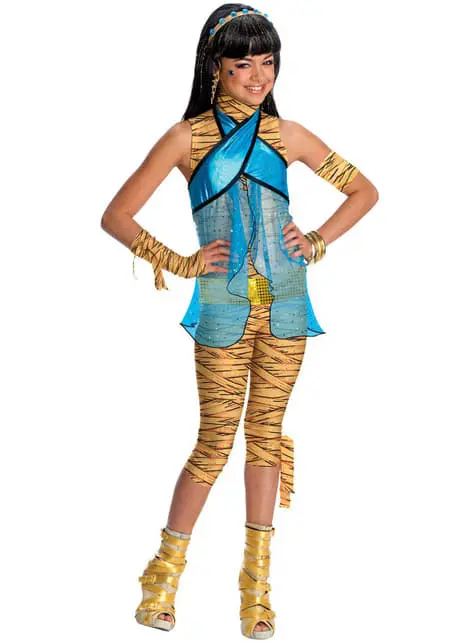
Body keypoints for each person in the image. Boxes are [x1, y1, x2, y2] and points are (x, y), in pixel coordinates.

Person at [101, 4, 378, 639]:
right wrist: (180, 262)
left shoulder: (289, 136)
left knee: (266, 437)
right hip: (223, 309)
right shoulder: (186, 138)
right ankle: (162, 576)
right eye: (243, 64)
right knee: (215, 440)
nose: (259, 77)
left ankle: (256, 591)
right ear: (215, 68)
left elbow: (364, 191)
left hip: (287, 305)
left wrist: (317, 240)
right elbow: (117, 215)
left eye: (268, 62)